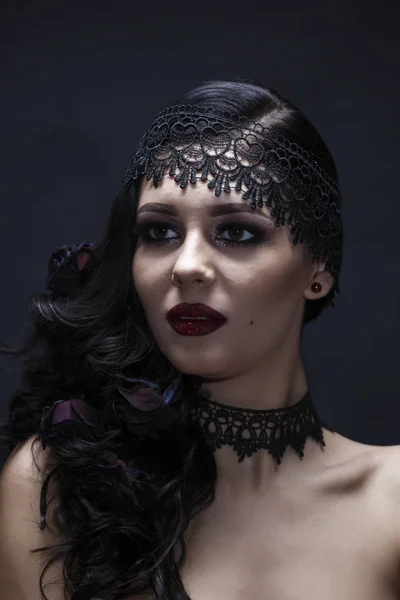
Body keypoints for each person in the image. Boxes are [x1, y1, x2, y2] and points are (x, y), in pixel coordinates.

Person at [0, 78, 399, 600]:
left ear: (317, 269)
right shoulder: (55, 486)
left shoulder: (390, 499)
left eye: (236, 232)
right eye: (159, 233)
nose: (186, 267)